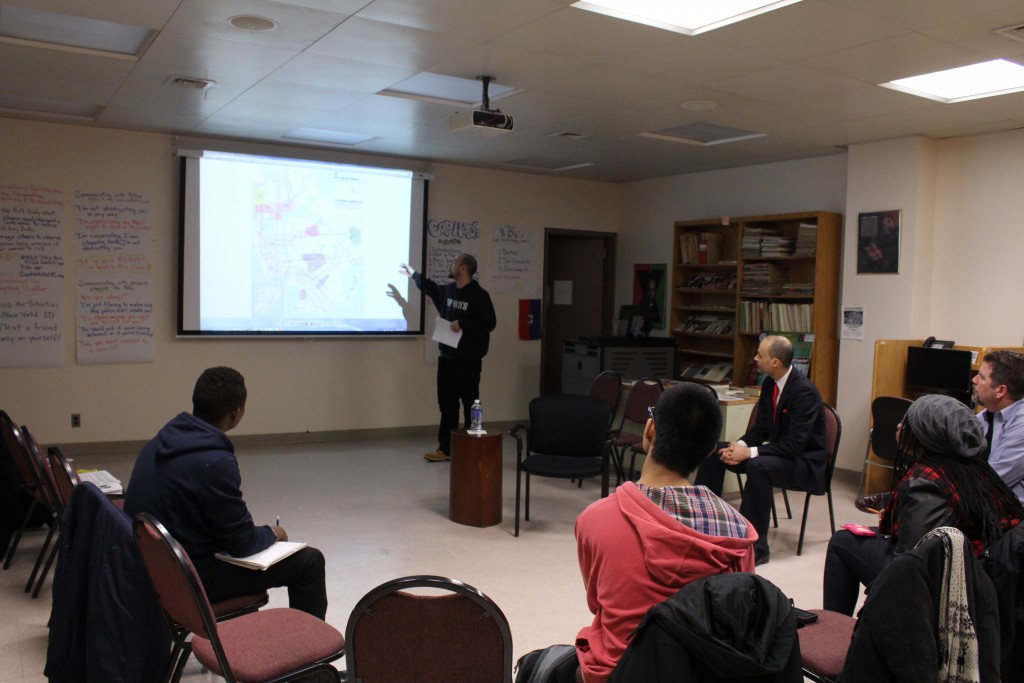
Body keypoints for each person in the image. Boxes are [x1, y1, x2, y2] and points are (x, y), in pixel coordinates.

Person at [575, 383, 756, 683]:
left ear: (649, 430)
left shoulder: (595, 519)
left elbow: (597, 604)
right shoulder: (740, 532)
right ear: (710, 450)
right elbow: (737, 618)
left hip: (617, 673)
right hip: (701, 675)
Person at [124, 367, 328, 620]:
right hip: (188, 579)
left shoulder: (162, 439)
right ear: (236, 413)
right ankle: (307, 646)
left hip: (151, 567)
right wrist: (273, 533)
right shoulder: (216, 462)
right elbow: (242, 544)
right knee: (309, 562)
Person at [822, 394, 1023, 616]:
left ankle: (835, 625)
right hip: (980, 573)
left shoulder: (925, 479)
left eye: (906, 422)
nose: (899, 426)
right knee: (864, 535)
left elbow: (912, 561)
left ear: (926, 435)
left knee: (842, 541)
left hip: (946, 588)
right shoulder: (973, 468)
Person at [694, 334, 827, 565]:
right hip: (780, 454)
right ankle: (703, 523)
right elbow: (762, 429)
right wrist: (740, 446)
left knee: (758, 466)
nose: (755, 358)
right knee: (715, 450)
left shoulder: (803, 391)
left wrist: (751, 453)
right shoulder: (769, 384)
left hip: (805, 463)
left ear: (775, 362)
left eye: (760, 355)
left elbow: (795, 445)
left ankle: (754, 547)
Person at [401, 254, 496, 462]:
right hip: (447, 360)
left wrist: (463, 323)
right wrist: (413, 275)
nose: (450, 265)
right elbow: (430, 287)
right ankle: (446, 448)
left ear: (463, 268)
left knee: (472, 404)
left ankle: (474, 445)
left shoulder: (480, 296)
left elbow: (489, 323)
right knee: (447, 406)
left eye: (454, 262)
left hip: (468, 362)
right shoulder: (448, 291)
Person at [973, 349, 1024, 499]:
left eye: (981, 377)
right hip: (988, 503)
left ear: (1000, 391)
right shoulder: (988, 414)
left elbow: (992, 481)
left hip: (1015, 513)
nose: (974, 380)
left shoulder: (1021, 425)